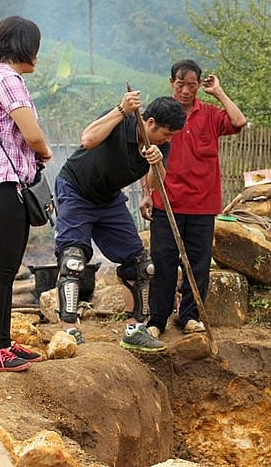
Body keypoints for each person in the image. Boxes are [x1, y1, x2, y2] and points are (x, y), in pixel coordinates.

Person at [53, 95, 184, 350]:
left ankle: (135, 330)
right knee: (73, 260)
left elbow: (156, 184)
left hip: (109, 199)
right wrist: (120, 110)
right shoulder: (120, 120)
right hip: (76, 189)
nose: (167, 140)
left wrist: (156, 163)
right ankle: (68, 331)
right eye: (166, 134)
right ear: (150, 123)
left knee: (142, 266)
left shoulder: (161, 146)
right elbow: (87, 140)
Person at [0, 15, 52, 372]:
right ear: (25, 47)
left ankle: (2, 344)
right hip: (3, 187)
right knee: (1, 270)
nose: (38, 54)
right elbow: (32, 135)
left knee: (3, 269)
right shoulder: (10, 81)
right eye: (36, 46)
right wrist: (44, 152)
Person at [145, 59, 247, 338]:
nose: (186, 90)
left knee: (198, 263)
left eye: (192, 85)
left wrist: (219, 92)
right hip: (166, 202)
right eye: (181, 84)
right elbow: (148, 157)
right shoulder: (162, 114)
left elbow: (238, 121)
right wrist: (146, 194)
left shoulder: (211, 115)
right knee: (163, 261)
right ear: (171, 83)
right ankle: (157, 319)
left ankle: (188, 316)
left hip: (203, 204)